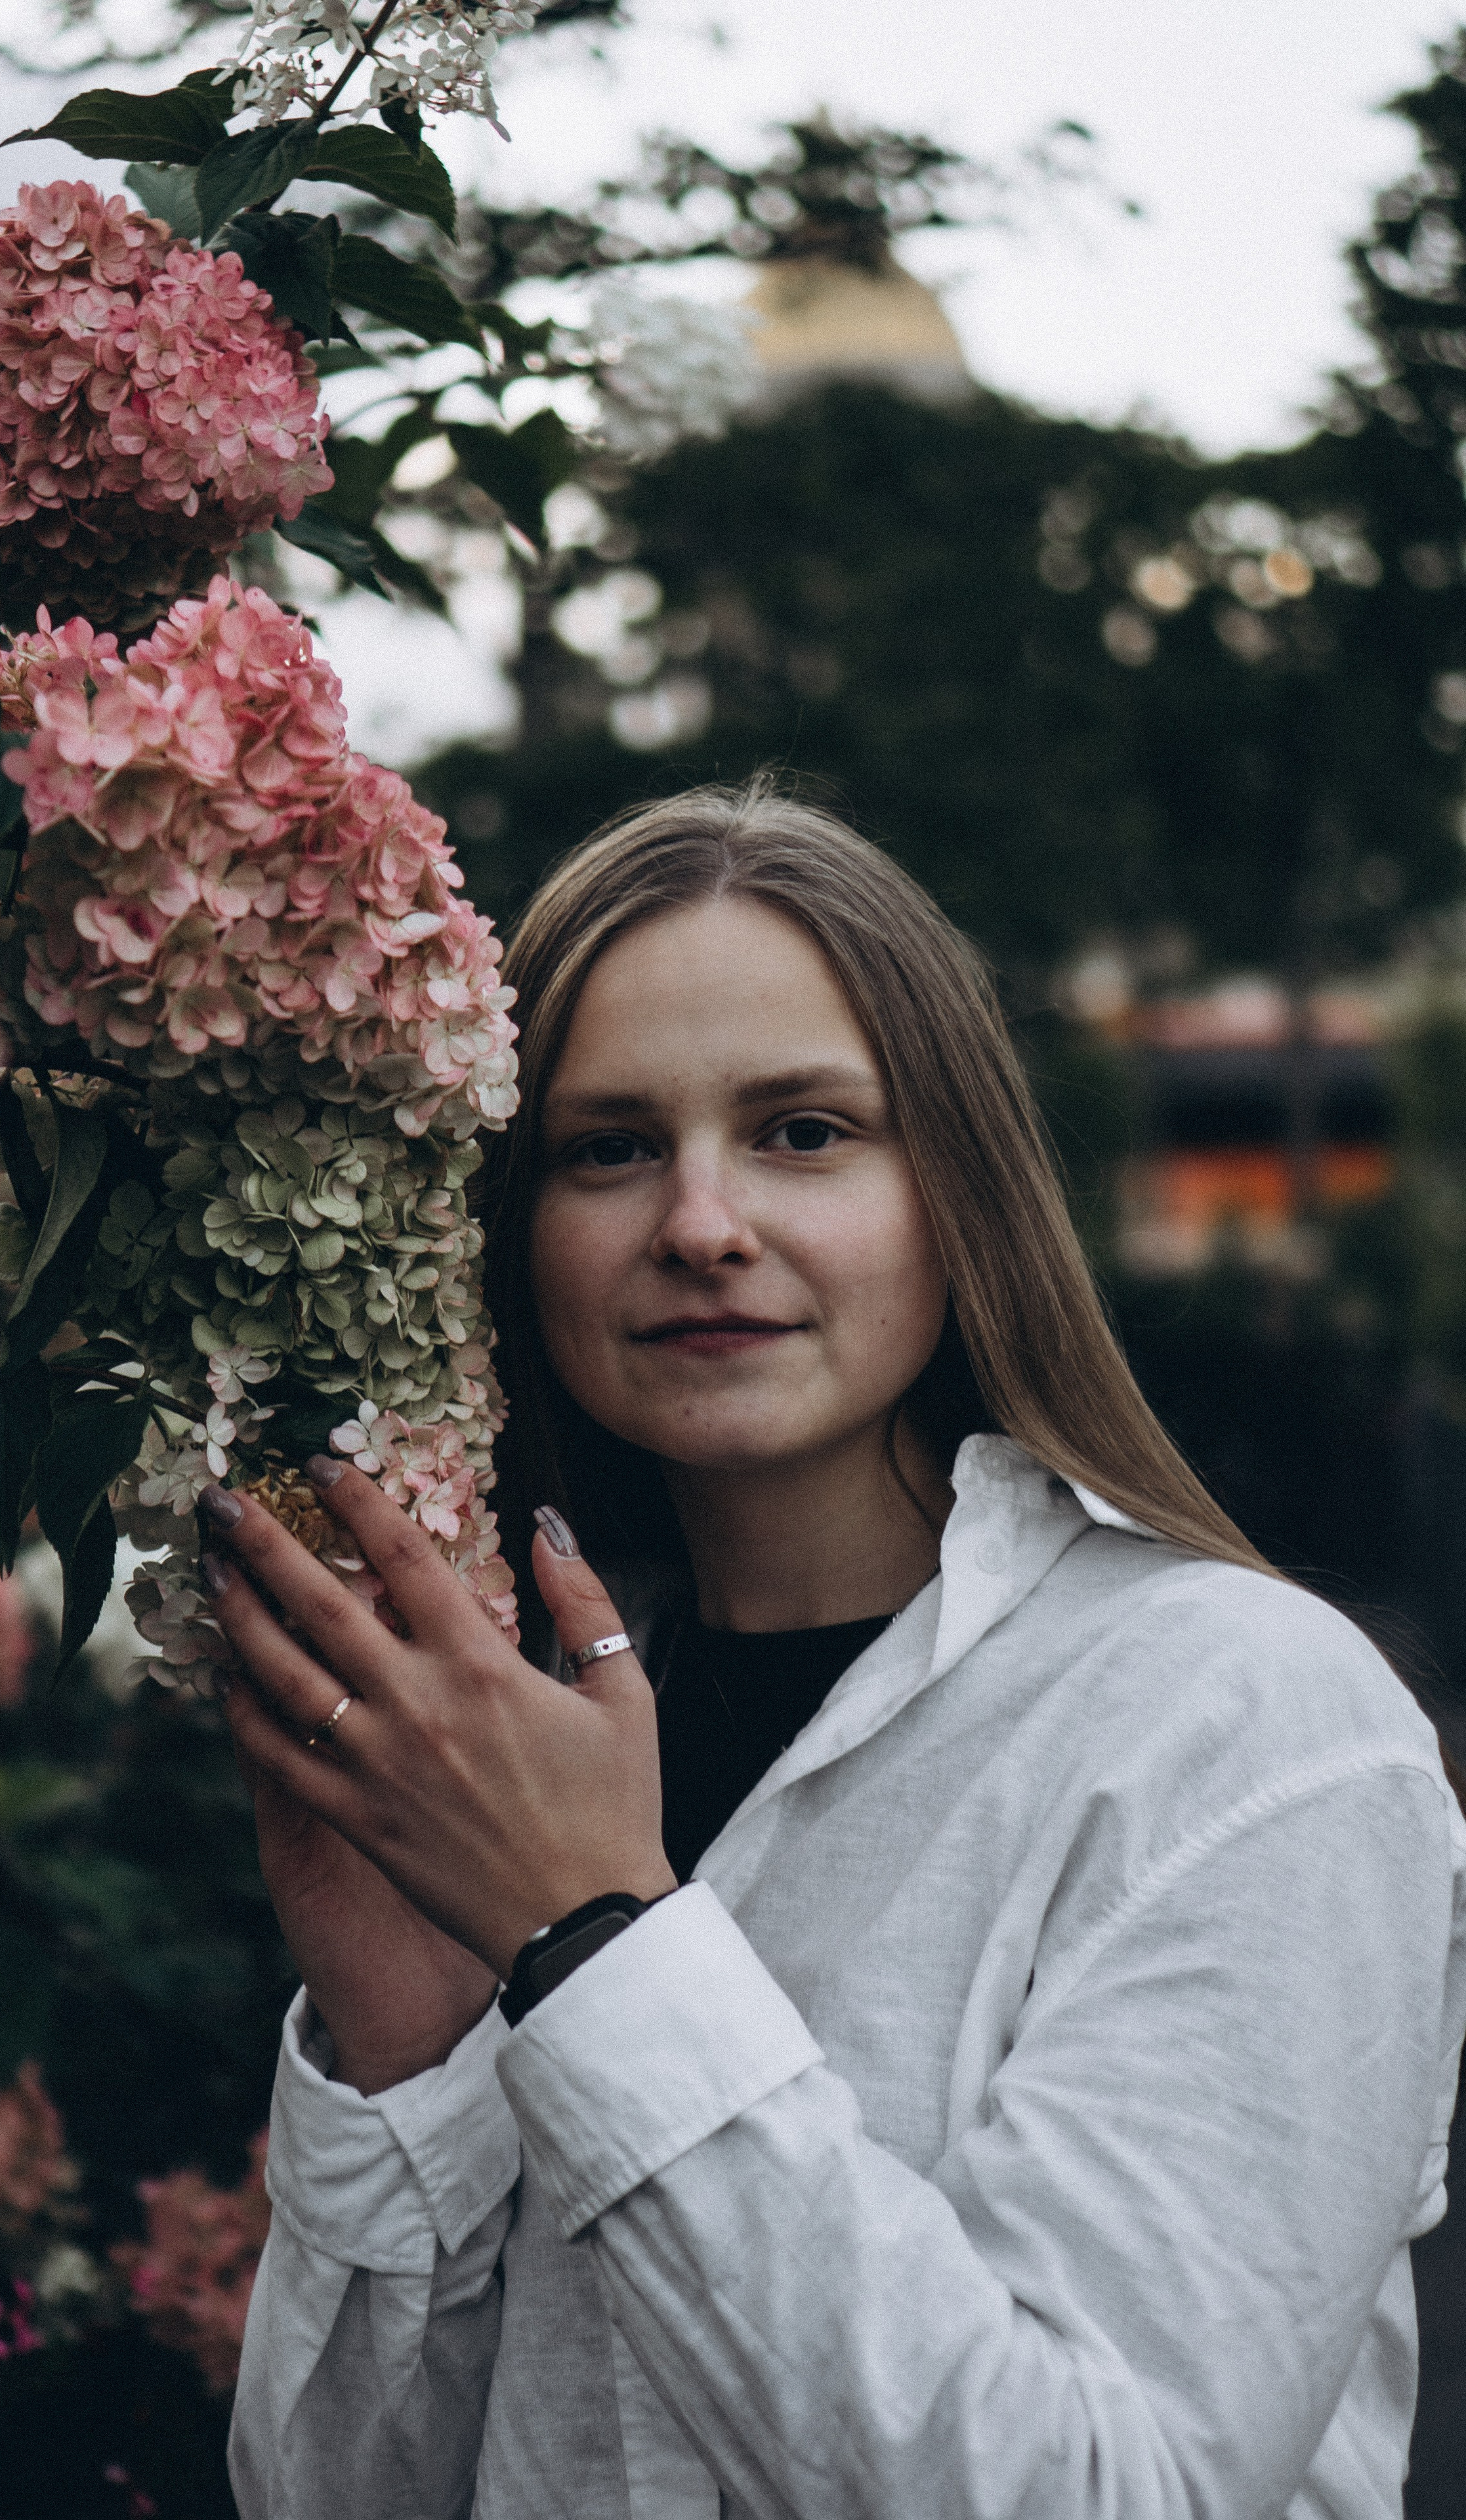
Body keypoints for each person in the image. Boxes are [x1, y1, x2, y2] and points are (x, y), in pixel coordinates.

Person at [206, 780, 1466, 2520]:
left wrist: (598, 1946)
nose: (702, 1223)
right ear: (511, 1233)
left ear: (957, 1192)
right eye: (610, 1146)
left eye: (804, 1132)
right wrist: (407, 2055)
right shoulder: (508, 1754)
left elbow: (1116, 2492)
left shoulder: (1243, 1721)